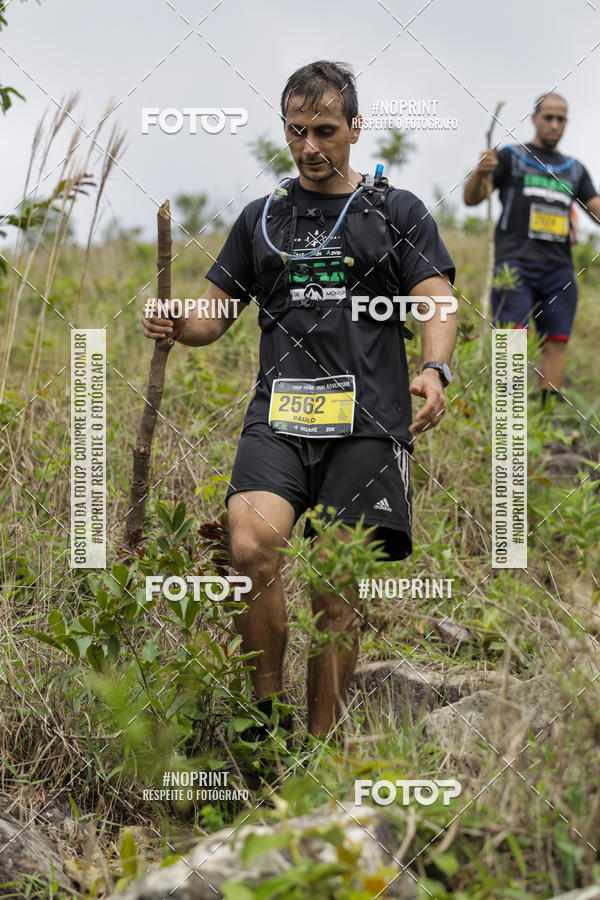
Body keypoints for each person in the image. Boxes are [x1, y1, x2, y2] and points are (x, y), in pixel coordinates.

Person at [142, 60, 457, 738]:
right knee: (250, 544)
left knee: (335, 589)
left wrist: (434, 367)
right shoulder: (261, 220)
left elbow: (437, 300)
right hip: (279, 419)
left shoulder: (395, 211)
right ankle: (263, 717)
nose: (310, 146)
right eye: (296, 131)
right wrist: (175, 320)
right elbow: (211, 316)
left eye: (324, 130)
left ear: (354, 128)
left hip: (369, 420)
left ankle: (317, 751)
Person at [463, 92, 600, 405]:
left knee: (557, 341)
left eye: (560, 118)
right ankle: (508, 417)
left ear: (566, 122)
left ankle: (543, 416)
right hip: (514, 266)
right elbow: (472, 199)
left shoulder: (574, 169)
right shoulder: (511, 156)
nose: (554, 124)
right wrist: (480, 171)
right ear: (534, 118)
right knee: (510, 340)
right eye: (548, 117)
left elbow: (595, 207)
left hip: (559, 271)